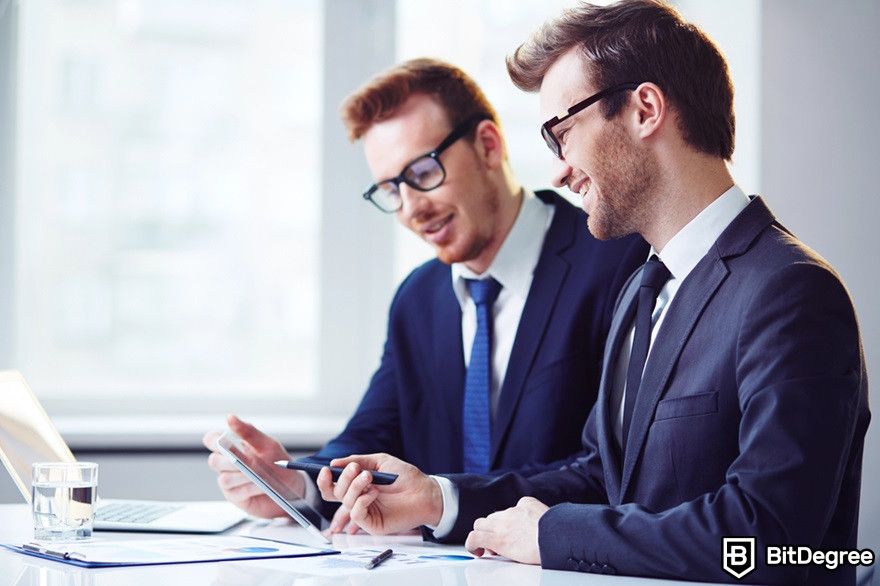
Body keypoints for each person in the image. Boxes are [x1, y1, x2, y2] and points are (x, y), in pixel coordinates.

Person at [314, 3, 870, 583]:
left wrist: (552, 534)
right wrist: (440, 500)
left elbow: (769, 537)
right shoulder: (644, 290)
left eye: (563, 133)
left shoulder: (790, 291)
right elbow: (600, 475)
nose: (557, 171)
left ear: (644, 110)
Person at [202, 58, 647, 533]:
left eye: (422, 171)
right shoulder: (418, 298)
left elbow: (611, 472)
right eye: (391, 188)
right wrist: (295, 483)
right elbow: (372, 433)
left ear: (487, 145)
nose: (413, 207)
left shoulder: (616, 259)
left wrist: (444, 502)